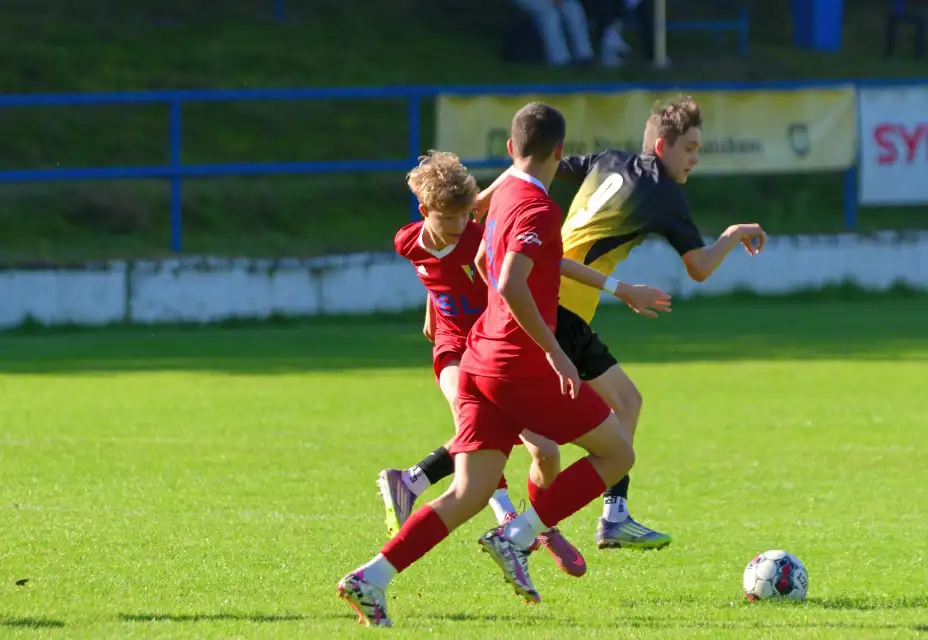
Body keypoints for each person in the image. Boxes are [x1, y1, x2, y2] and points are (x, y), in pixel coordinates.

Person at [339, 102, 644, 627]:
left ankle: (371, 579)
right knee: (617, 453)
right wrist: (554, 351)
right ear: (560, 153)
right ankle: (517, 536)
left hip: (476, 358)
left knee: (467, 493)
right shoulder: (541, 210)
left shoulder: (500, 193)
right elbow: (505, 282)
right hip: (516, 363)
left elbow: (483, 262)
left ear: (509, 150)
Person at [476, 94, 768, 551]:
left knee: (612, 407)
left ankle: (593, 516)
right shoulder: (665, 196)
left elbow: (527, 167)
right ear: (661, 147)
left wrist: (481, 198)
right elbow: (699, 267)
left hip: (548, 299)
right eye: (689, 148)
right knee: (573, 425)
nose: (695, 159)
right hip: (564, 306)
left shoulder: (606, 159)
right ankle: (557, 522)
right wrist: (730, 236)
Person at [379, 150, 670, 579]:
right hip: (455, 353)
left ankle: (439, 491)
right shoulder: (407, 240)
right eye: (451, 218)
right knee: (474, 432)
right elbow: (433, 271)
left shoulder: (477, 236)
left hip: (490, 347)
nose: (462, 226)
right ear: (425, 212)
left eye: (466, 216)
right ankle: (510, 526)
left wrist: (618, 287)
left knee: (547, 453)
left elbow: (553, 263)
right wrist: (433, 314)